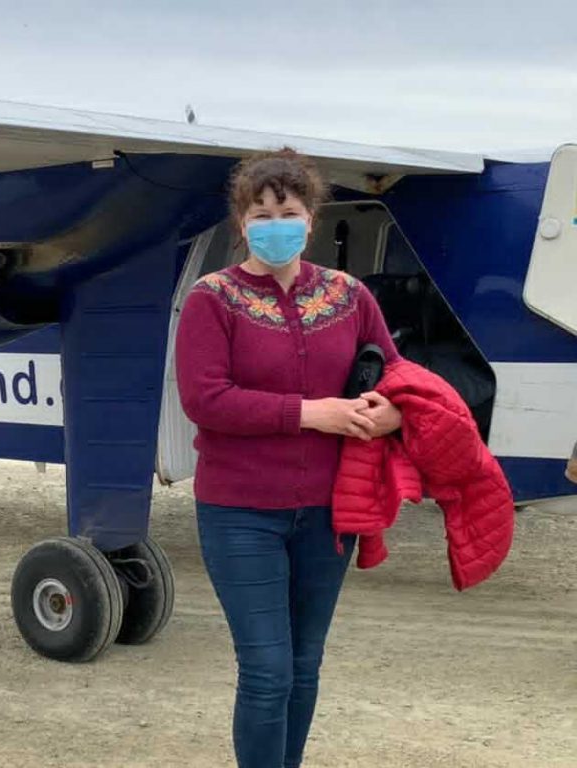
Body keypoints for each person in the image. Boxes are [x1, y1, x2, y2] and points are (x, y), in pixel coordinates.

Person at [175, 147, 403, 767]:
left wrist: (393, 412)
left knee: (305, 667)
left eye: (289, 210)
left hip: (329, 514)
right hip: (241, 512)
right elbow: (206, 399)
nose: (276, 222)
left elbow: (398, 371)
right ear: (241, 223)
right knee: (268, 670)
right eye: (262, 211)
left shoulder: (350, 296)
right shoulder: (212, 299)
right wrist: (314, 412)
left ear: (311, 220)